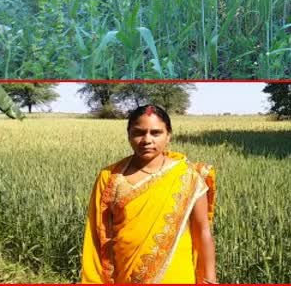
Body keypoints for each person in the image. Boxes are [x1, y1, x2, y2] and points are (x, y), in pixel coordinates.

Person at [81, 105, 217, 284]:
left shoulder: (189, 175)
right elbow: (96, 233)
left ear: (168, 135)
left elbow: (203, 230)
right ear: (128, 134)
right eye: (139, 132)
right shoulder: (110, 177)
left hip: (175, 275)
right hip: (124, 275)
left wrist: (209, 278)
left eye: (156, 133)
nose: (147, 140)